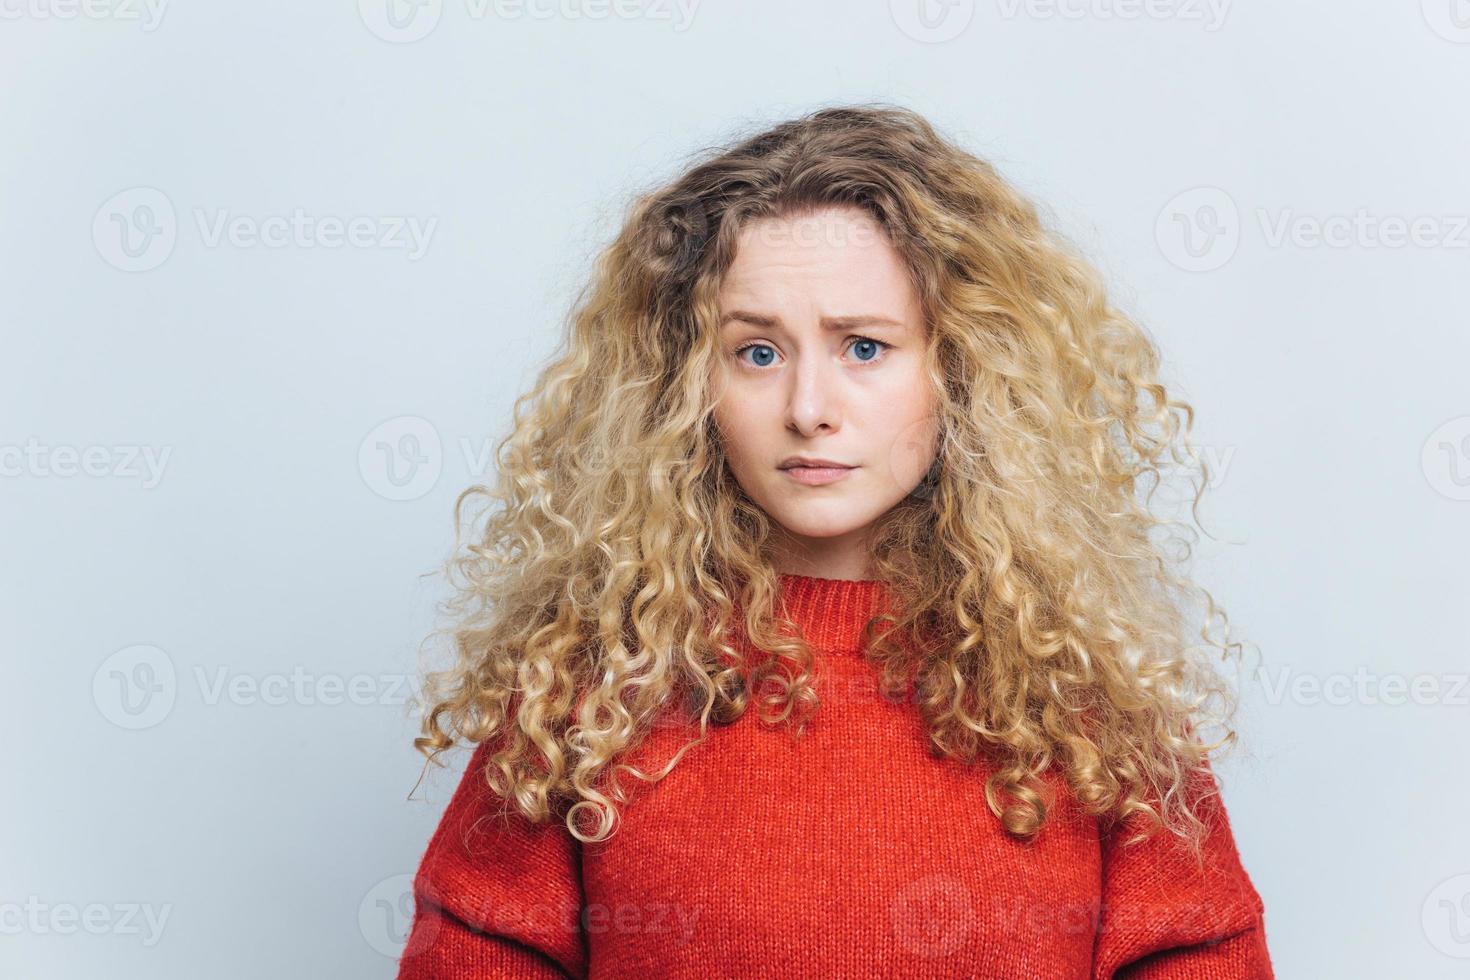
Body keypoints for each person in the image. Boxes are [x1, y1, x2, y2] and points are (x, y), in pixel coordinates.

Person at [395, 104, 1273, 978]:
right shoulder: (590, 692)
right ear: (684, 387)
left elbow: (1199, 954)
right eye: (758, 354)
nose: (809, 408)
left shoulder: (1089, 703)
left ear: (958, 367)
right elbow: (477, 951)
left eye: (863, 347)